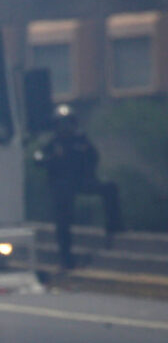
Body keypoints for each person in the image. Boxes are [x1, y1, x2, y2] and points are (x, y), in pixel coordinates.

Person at [35, 104, 123, 269]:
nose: (65, 127)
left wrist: (84, 160)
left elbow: (94, 157)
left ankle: (114, 226)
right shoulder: (52, 143)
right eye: (61, 124)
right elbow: (38, 157)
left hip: (83, 181)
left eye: (68, 123)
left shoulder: (81, 140)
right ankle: (66, 259)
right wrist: (51, 159)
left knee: (110, 187)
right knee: (63, 221)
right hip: (62, 186)